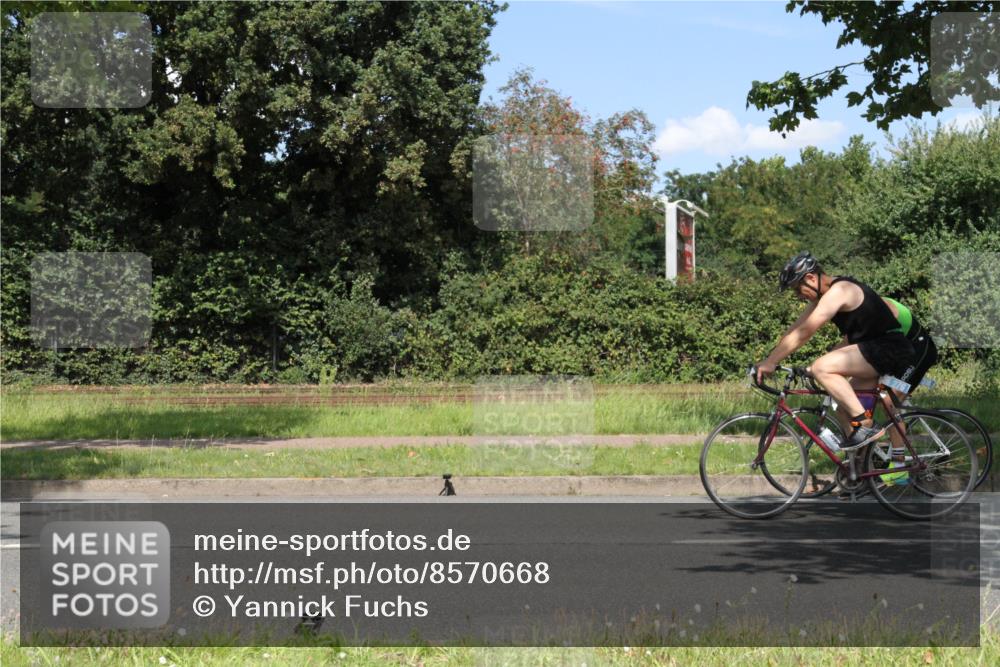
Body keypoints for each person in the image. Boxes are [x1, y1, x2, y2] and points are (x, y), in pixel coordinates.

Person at [756, 252, 916, 448]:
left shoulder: (840, 290)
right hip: (873, 351)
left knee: (821, 367)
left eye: (798, 289)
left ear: (811, 278)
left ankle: (866, 424)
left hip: (890, 348)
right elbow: (795, 330)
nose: (798, 296)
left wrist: (772, 362)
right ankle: (861, 463)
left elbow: (805, 332)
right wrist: (768, 359)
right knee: (843, 408)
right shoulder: (822, 298)